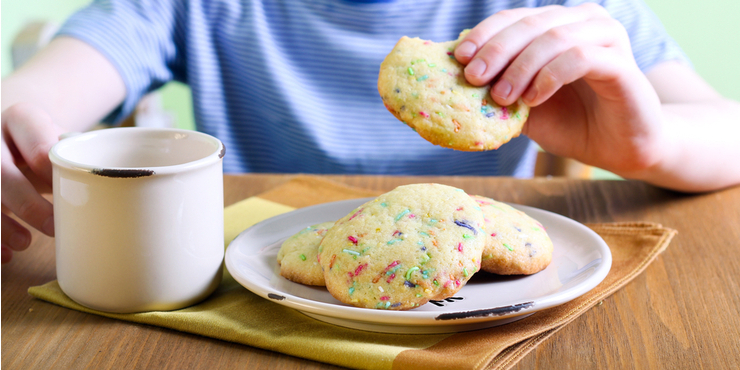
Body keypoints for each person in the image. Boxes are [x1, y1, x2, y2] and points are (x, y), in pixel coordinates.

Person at [3, 0, 740, 263]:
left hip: (482, 316)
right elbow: (32, 97)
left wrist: (648, 146)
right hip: (261, 282)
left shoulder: (555, 8)